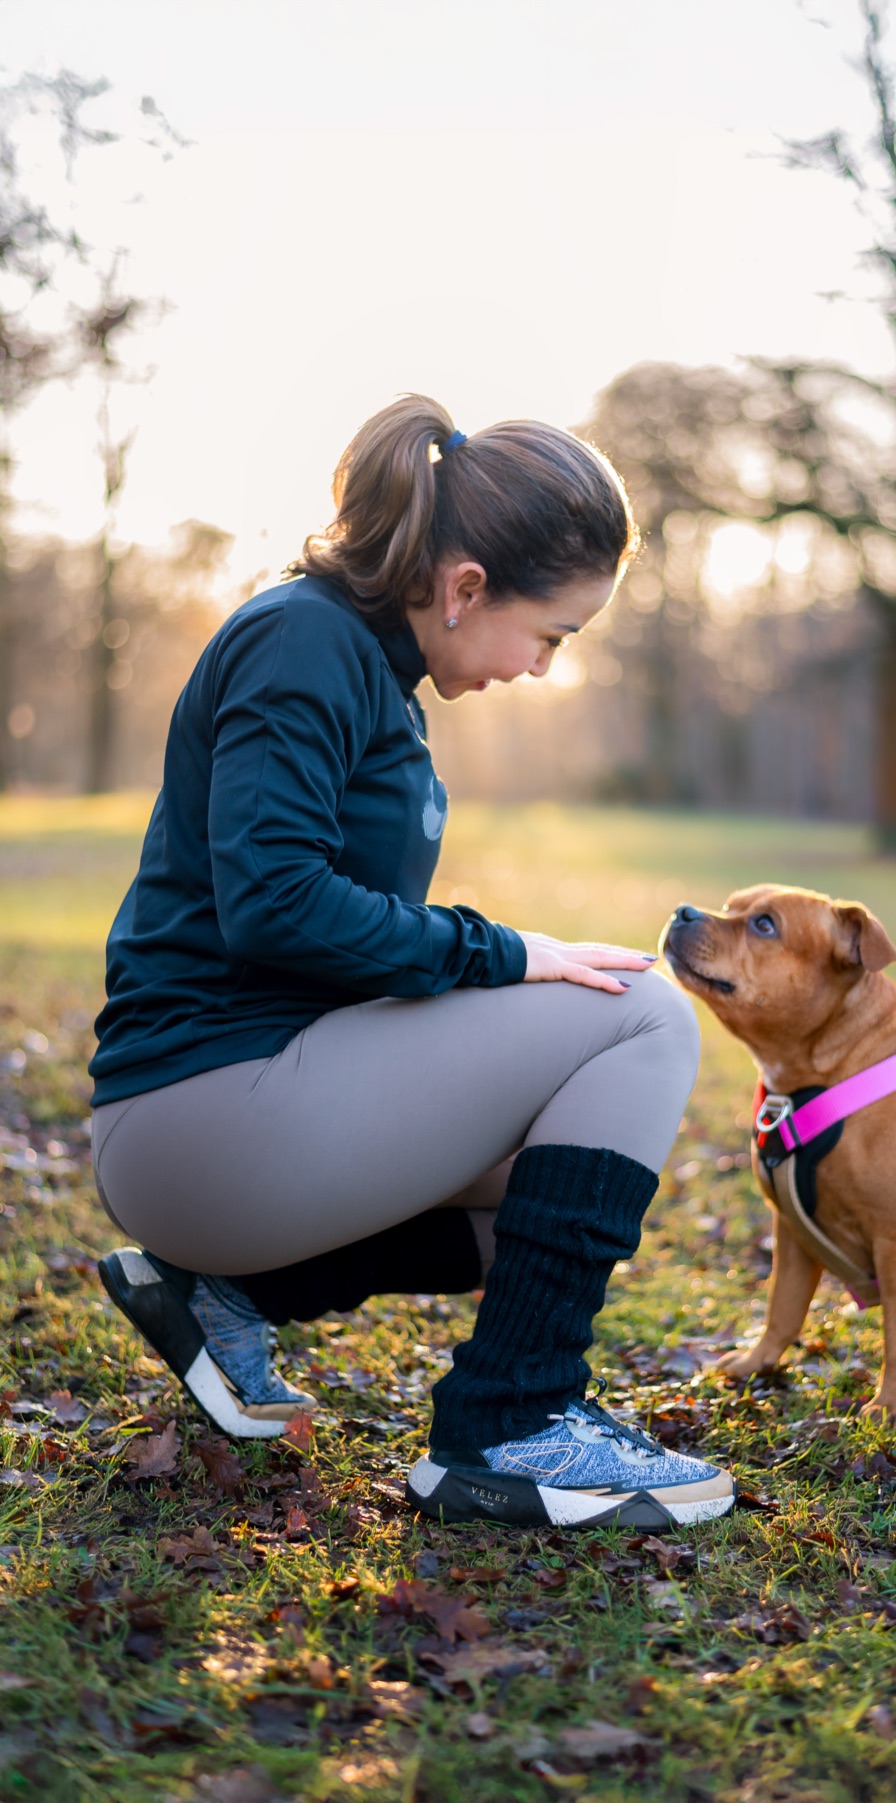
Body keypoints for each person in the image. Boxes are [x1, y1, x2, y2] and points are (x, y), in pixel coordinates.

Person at [90, 396, 735, 1530]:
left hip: (246, 1116)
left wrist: (495, 971)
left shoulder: (368, 670)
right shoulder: (303, 640)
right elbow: (277, 908)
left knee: (543, 1193)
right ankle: (511, 1423)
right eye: (553, 636)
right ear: (468, 585)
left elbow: (335, 939)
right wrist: (503, 953)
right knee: (646, 1016)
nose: (543, 670)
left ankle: (226, 1291)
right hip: (194, 1113)